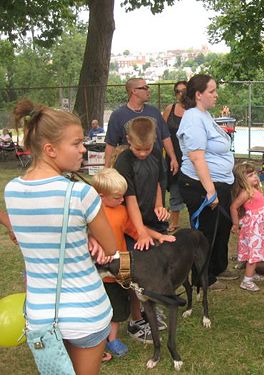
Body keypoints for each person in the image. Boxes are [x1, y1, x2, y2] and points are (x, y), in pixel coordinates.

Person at [5, 99, 117, 374]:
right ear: (50, 149)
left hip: (41, 314)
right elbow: (111, 246)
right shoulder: (80, 193)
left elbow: (39, 235)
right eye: (77, 143)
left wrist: (83, 233)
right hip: (86, 311)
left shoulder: (12, 191)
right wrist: (89, 233)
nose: (83, 149)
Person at [91, 168, 175, 356]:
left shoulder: (121, 211)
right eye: (117, 197)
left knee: (122, 301)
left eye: (123, 196)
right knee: (100, 304)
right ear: (101, 195)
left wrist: (159, 236)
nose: (122, 200)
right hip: (98, 269)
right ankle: (100, 339)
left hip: (122, 264)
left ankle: (113, 339)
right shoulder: (91, 212)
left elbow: (137, 230)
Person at [113, 117, 172, 341]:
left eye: (147, 148)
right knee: (136, 272)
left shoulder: (156, 152)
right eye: (138, 149)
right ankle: (136, 320)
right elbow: (130, 200)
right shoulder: (124, 162)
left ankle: (150, 309)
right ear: (128, 140)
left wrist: (159, 206)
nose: (144, 153)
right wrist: (141, 231)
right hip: (131, 225)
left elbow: (159, 183)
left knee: (153, 268)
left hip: (152, 220)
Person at [177, 74, 237, 291]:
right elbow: (196, 157)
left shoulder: (204, 115)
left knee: (223, 226)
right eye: (212, 91)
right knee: (205, 233)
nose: (216, 95)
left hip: (220, 182)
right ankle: (203, 277)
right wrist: (210, 192)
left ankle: (218, 267)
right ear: (198, 94)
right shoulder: (193, 117)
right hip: (200, 186)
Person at [103, 77, 178, 199]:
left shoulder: (154, 112)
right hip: (132, 168)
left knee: (157, 202)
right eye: (145, 88)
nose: (149, 91)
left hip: (156, 166)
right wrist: (107, 168)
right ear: (134, 91)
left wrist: (173, 158)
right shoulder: (118, 115)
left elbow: (165, 137)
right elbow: (111, 143)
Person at [230, 162, 264, 292]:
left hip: (260, 226)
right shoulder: (246, 193)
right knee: (254, 252)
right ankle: (247, 281)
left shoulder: (255, 189)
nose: (255, 177)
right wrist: (236, 224)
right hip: (254, 229)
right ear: (242, 179)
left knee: (256, 251)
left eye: (255, 174)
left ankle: (251, 274)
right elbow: (233, 207)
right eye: (251, 175)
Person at [162, 80, 187, 233]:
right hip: (172, 156)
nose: (180, 94)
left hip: (190, 158)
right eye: (177, 91)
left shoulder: (195, 111)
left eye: (184, 90)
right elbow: (162, 134)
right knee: (175, 188)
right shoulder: (169, 109)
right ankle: (174, 221)